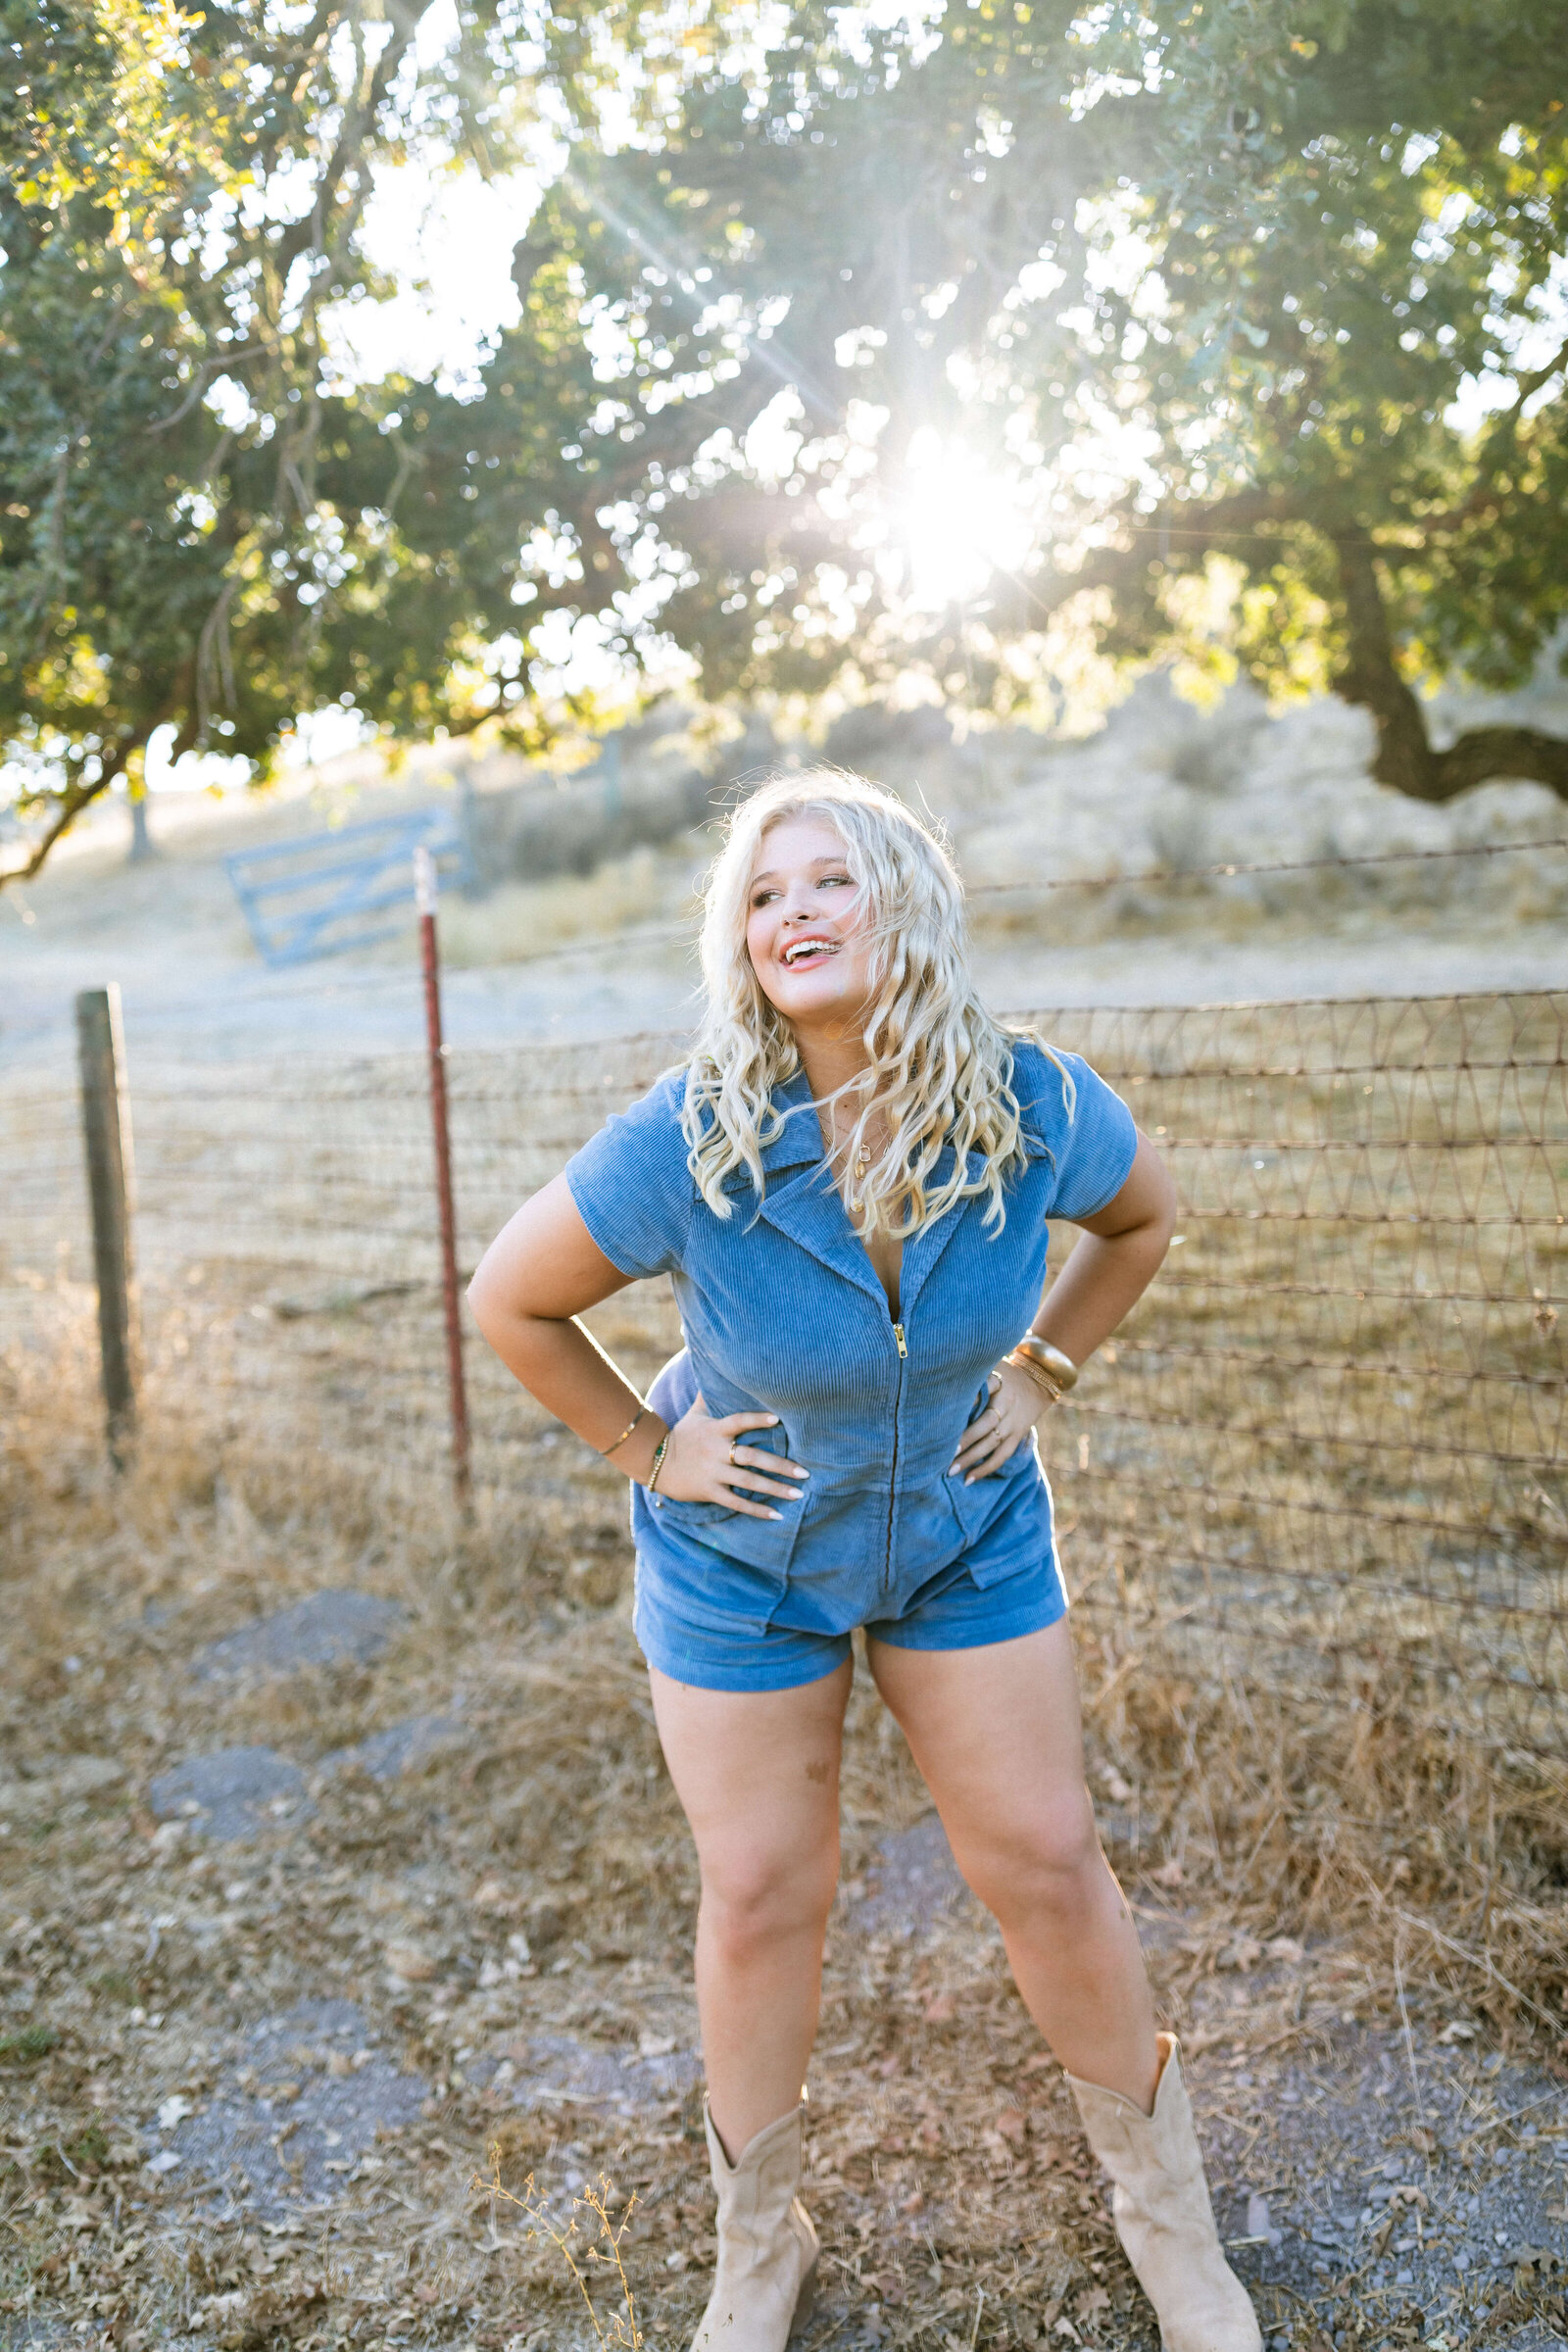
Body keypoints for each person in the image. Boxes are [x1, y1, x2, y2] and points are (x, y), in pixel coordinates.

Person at [468, 772, 1260, 2352]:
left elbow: (1146, 1222)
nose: (795, 915)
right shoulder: (693, 1133)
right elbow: (510, 1300)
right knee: (763, 1893)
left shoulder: (1035, 1103)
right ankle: (759, 2246)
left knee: (1044, 1859)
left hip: (965, 1541)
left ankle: (1167, 2219)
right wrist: (650, 1446)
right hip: (744, 1562)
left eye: (831, 881)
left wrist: (1044, 1371)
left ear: (908, 902)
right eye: (763, 897)